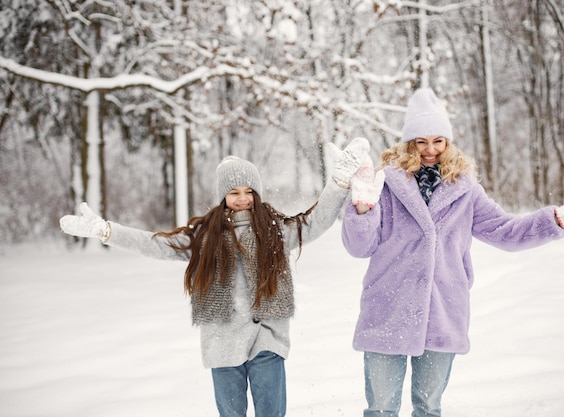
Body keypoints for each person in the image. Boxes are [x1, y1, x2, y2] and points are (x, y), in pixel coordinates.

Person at [341, 88, 564, 417]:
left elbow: (505, 231)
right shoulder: (384, 185)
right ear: (408, 142)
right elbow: (359, 247)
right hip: (388, 307)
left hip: (442, 310)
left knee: (428, 408)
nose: (430, 150)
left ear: (448, 142)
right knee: (381, 409)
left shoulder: (465, 191)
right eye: (421, 141)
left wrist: (556, 219)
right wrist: (362, 209)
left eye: (438, 141)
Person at [59, 138, 370, 417]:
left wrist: (339, 182)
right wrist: (107, 232)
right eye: (234, 193)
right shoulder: (204, 236)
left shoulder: (274, 230)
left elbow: (315, 221)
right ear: (223, 196)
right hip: (222, 342)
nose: (243, 199)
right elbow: (156, 244)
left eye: (249, 192)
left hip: (268, 339)